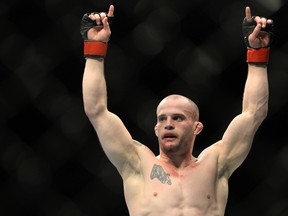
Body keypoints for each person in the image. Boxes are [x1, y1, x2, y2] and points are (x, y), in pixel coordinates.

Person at [80, 5, 273, 216]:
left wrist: (257, 53)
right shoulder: (137, 163)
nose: (168, 124)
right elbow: (96, 110)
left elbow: (254, 113)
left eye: (178, 118)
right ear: (155, 129)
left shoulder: (215, 163)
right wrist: (94, 47)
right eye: (162, 119)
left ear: (196, 127)